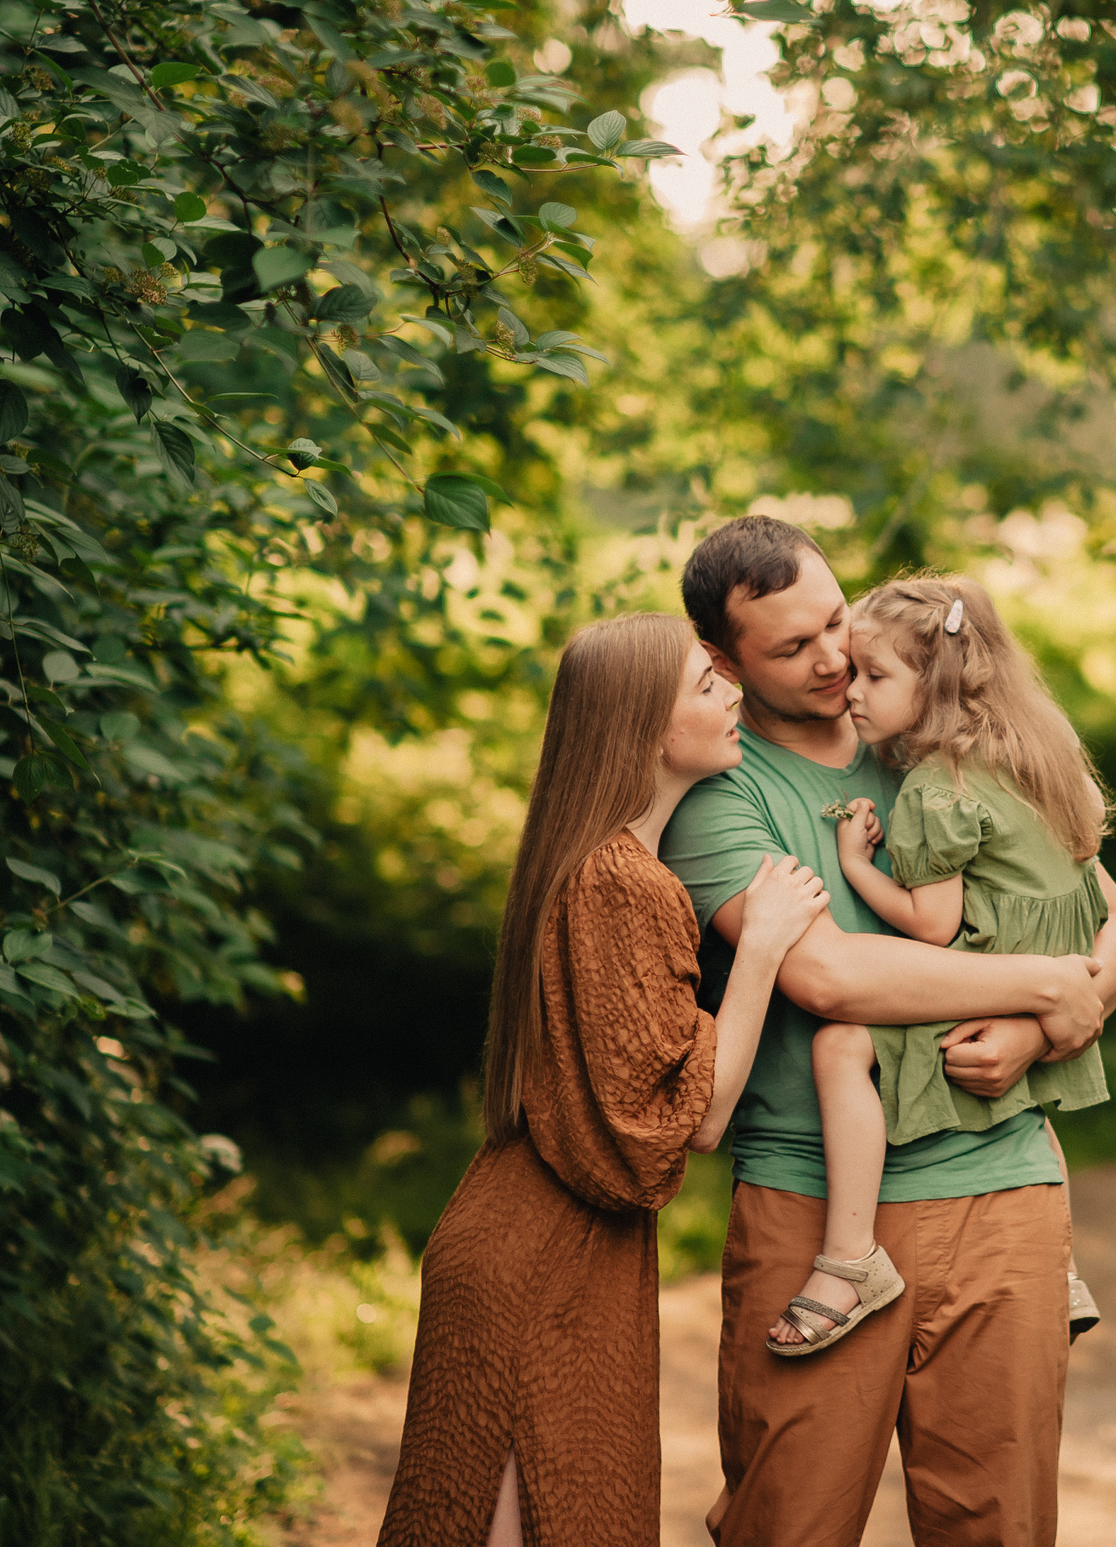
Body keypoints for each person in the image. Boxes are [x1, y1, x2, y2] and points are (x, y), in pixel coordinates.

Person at [661, 517, 1116, 1547]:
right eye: (792, 648)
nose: (834, 657)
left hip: (1003, 1189)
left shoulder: (945, 736)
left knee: (998, 1526)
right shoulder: (719, 793)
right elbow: (827, 974)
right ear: (722, 659)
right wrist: (1044, 987)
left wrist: (1042, 1029)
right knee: (786, 1524)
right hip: (811, 1207)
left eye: (835, 621)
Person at [378, 613, 831, 1547]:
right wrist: (763, 952)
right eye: (707, 687)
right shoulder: (624, 880)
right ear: (642, 727)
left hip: (539, 1246)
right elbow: (679, 1125)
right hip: (540, 1264)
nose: (735, 692)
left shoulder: (600, 863)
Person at [773, 574, 1111, 1357]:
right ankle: (1058, 1268)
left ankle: (851, 1258)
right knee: (1021, 1108)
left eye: (874, 675)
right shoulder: (1031, 753)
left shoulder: (934, 787)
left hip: (999, 963)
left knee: (838, 1045)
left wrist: (857, 866)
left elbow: (935, 924)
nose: (850, 690)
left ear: (938, 687)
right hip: (1053, 962)